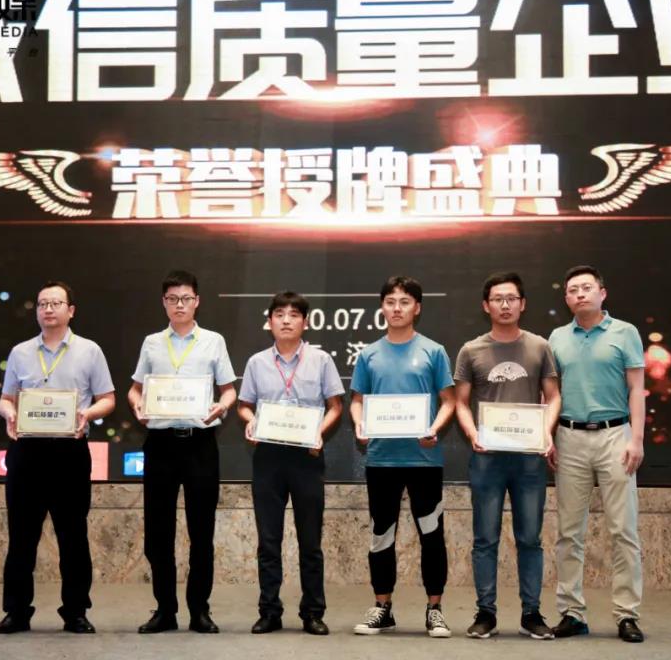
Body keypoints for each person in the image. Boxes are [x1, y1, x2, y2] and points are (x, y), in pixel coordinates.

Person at [0, 281, 115, 635]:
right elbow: (6, 399)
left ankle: (75, 612)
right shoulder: (20, 352)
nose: (48, 309)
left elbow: (108, 398)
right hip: (27, 452)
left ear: (70, 310)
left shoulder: (90, 351)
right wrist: (8, 413)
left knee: (73, 536)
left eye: (56, 303)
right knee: (21, 537)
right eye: (42, 303)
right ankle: (16, 612)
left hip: (69, 452)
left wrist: (87, 414)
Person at [128, 270, 237, 634]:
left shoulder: (213, 341)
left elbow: (229, 390)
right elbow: (134, 389)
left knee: (201, 532)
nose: (179, 305)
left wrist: (222, 406)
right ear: (164, 303)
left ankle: (199, 610)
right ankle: (165, 610)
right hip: (160, 444)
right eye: (173, 299)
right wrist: (137, 405)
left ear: (197, 302)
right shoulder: (151, 343)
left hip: (199, 445)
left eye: (186, 298)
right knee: (158, 532)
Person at [454, 272, 560, 640]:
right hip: (488, 458)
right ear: (486, 306)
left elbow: (553, 396)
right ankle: (486, 612)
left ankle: (532, 613)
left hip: (529, 459)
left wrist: (546, 431)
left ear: (522, 304)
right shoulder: (471, 350)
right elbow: (461, 402)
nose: (505, 304)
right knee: (485, 538)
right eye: (497, 298)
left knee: (530, 538)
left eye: (511, 298)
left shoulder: (539, 347)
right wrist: (472, 433)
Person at [349, 276, 457, 638]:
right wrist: (360, 423)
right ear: (382, 307)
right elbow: (357, 400)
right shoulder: (369, 354)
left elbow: (449, 401)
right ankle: (382, 607)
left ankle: (435, 609)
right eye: (391, 302)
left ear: (417, 308)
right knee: (381, 535)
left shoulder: (433, 351)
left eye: (405, 302)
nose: (397, 308)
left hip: (424, 459)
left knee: (431, 534)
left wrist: (434, 428)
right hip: (381, 459)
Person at [548, 265, 646, 643]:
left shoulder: (625, 332)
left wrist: (636, 439)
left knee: (624, 530)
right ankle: (572, 612)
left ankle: (627, 614)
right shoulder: (557, 337)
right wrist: (547, 435)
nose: (580, 294)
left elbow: (636, 389)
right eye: (573, 290)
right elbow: (550, 394)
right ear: (566, 298)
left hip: (615, 436)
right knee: (568, 532)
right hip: (569, 437)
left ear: (602, 293)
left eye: (587, 288)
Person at [238, 291, 345, 636]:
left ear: (305, 322)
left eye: (294, 315)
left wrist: (319, 432)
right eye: (279, 314)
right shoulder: (256, 363)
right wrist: (251, 421)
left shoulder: (321, 360)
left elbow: (336, 406)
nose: (286, 320)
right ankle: (269, 611)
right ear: (269, 321)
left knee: (310, 542)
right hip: (268, 457)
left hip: (307, 457)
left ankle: (313, 612)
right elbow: (244, 405)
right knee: (268, 541)